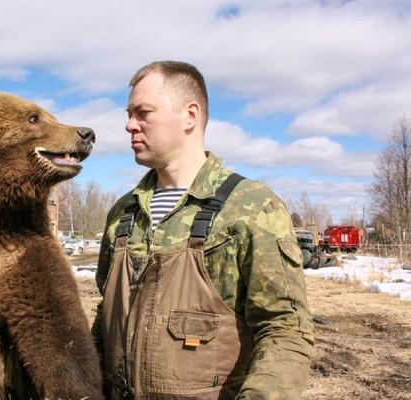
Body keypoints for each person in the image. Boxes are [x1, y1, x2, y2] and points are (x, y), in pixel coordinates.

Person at [91, 61, 314, 400]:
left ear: (190, 116)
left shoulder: (250, 208)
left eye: (143, 112)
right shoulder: (124, 213)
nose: (129, 125)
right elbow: (105, 319)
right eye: (128, 113)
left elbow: (285, 330)